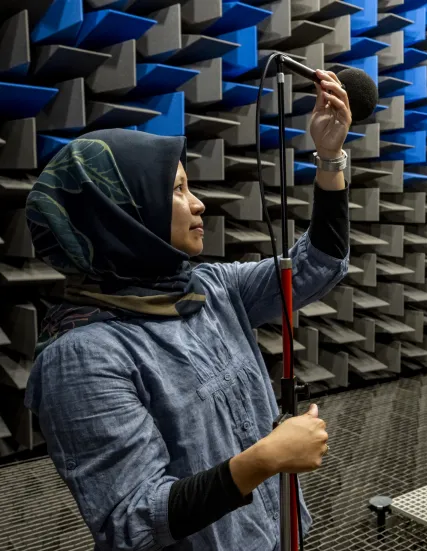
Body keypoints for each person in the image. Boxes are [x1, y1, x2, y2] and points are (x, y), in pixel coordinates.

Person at [23, 70, 353, 550]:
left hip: (271, 531)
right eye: (176, 190)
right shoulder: (81, 359)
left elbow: (317, 264)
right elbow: (131, 520)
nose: (199, 204)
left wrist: (328, 157)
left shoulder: (210, 287)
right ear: (125, 215)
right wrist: (261, 461)